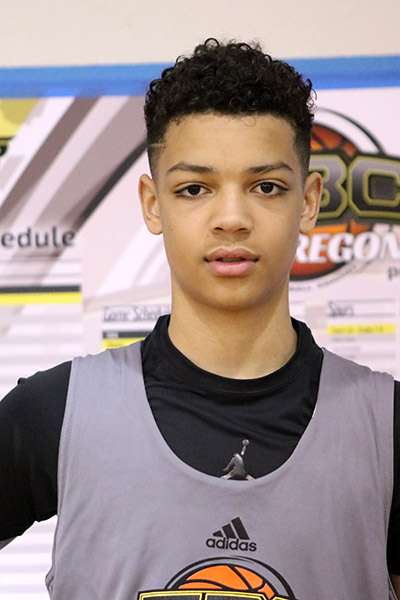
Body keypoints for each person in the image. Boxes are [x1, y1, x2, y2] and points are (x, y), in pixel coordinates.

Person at [0, 38, 399, 599]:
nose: (231, 218)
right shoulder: (55, 413)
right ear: (152, 203)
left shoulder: (388, 428)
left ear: (309, 201)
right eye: (194, 189)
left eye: (266, 187)